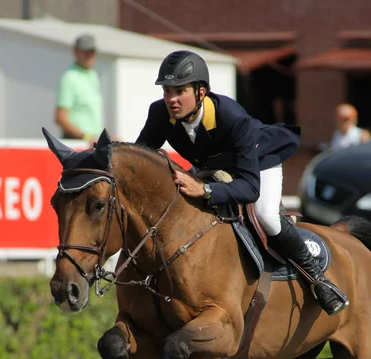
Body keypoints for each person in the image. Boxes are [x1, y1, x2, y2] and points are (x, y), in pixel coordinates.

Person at [135, 50, 348, 316]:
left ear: (201, 92)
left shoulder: (232, 117)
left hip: (257, 162)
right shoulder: (159, 113)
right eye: (167, 91)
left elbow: (249, 188)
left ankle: (319, 280)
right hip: (214, 165)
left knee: (266, 216)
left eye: (179, 91)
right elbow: (140, 156)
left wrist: (206, 189)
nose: (171, 99)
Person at [55, 34, 104, 143]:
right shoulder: (69, 78)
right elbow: (60, 118)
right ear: (76, 52)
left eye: (92, 52)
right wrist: (86, 137)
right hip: (76, 143)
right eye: (85, 52)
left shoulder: (93, 76)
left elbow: (92, 118)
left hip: (93, 143)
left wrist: (108, 137)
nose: (89, 56)